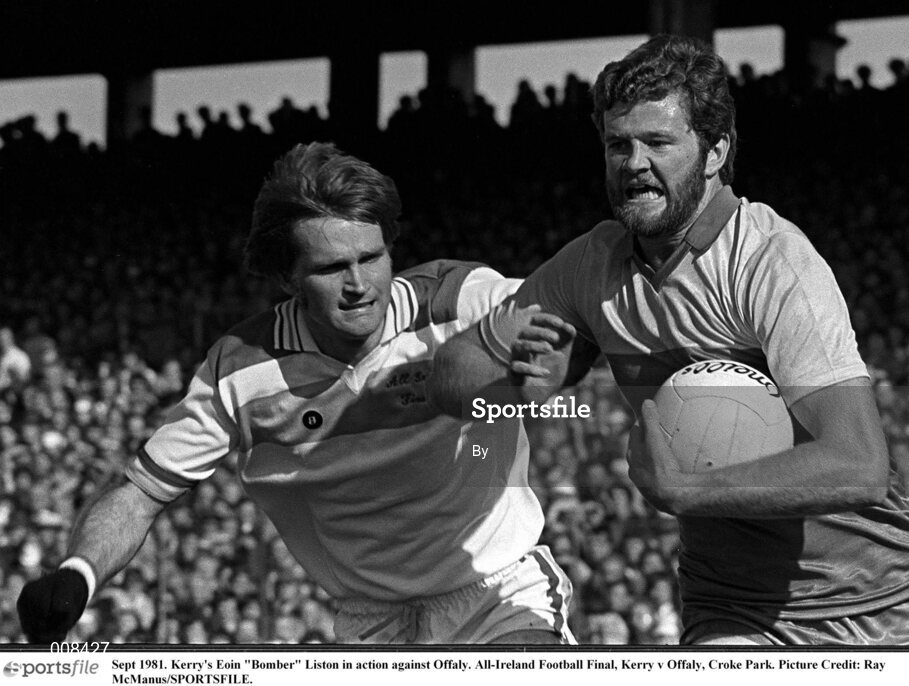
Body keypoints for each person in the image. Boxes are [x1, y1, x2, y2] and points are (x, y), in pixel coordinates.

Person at [428, 35, 909, 646]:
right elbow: (451, 382)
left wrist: (683, 491)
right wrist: (511, 376)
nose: (632, 163)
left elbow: (859, 465)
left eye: (658, 142)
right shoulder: (590, 265)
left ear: (715, 151)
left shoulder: (769, 259)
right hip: (733, 606)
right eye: (616, 144)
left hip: (886, 603)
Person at [17, 142, 574, 646]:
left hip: (500, 593)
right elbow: (139, 491)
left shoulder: (462, 301)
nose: (359, 285)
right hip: (371, 623)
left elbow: (564, 308)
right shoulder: (239, 371)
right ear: (288, 278)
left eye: (371, 258)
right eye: (333, 268)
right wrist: (78, 573)